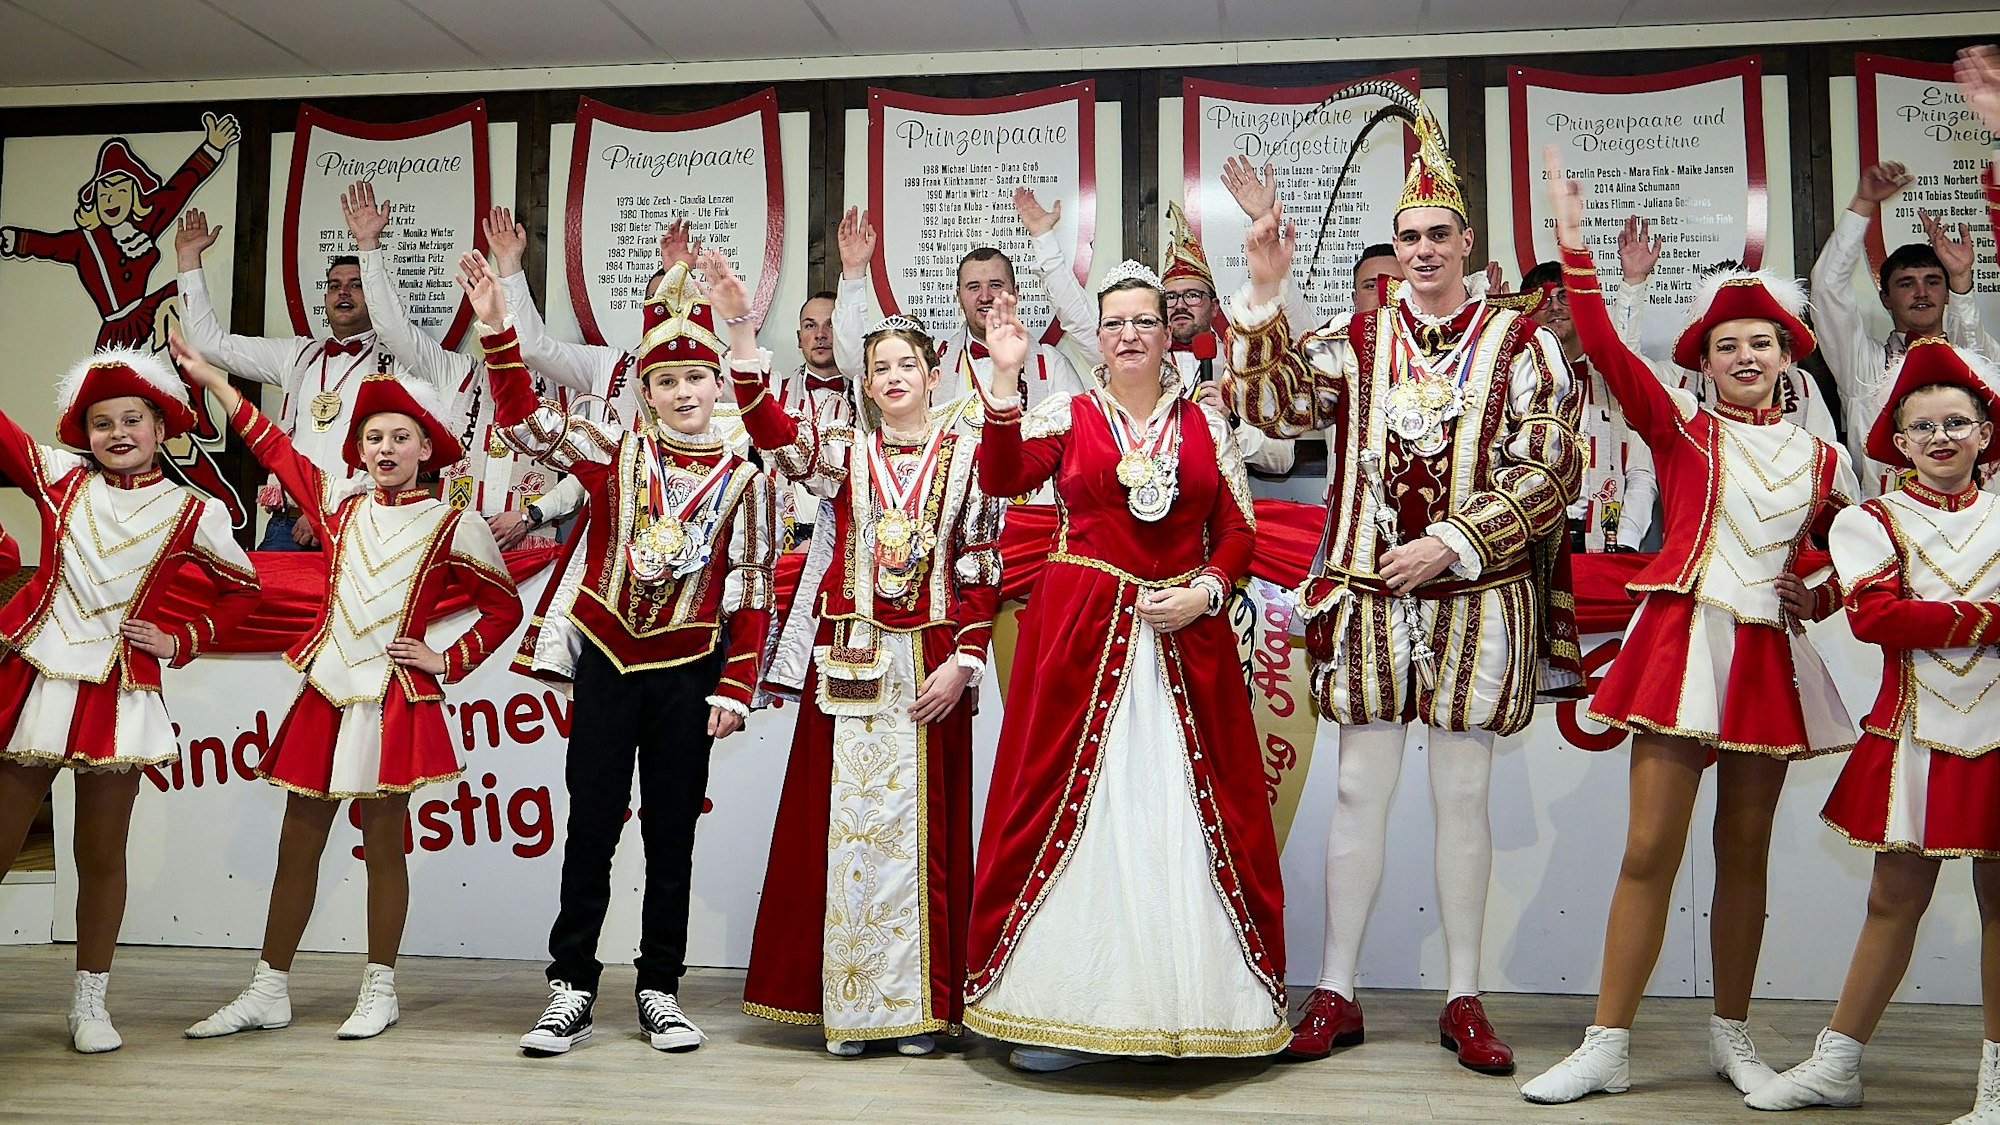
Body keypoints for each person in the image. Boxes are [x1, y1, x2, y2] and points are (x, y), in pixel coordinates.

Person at [1227, 96, 1580, 1075]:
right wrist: (1264, 289)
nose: (1421, 250)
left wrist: (1455, 543)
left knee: (1462, 797)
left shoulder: (1523, 344)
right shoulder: (1354, 337)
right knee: (1352, 788)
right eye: (1406, 236)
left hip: (1474, 596)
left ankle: (1462, 997)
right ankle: (1334, 991)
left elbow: (1547, 467)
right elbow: (1270, 407)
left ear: (1465, 241)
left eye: (1436, 235)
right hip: (1370, 596)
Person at [1521, 147, 1859, 1105]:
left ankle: (1733, 1035)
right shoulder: (1677, 429)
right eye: (1726, 345)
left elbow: (1859, 563)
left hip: (1766, 655)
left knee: (1742, 850)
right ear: (1704, 363)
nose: (1746, 357)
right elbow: (1607, 351)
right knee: (1647, 847)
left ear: (1790, 356)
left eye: (1762, 343)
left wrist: (1821, 593)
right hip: (1683, 646)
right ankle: (1608, 1039)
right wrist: (1575, 244)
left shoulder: (1826, 462)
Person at [962, 264, 1288, 1071]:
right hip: (1081, 635)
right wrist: (1003, 377)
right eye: (1115, 323)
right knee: (1071, 805)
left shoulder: (1207, 422)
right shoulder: (1065, 412)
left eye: (1146, 320)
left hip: (1187, 639)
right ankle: (1058, 1011)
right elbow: (1002, 478)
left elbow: (1238, 531)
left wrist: (1209, 590)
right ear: (1097, 338)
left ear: (1169, 330)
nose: (1131, 333)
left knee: (1182, 811)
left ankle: (1199, 1009)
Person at [455, 250, 777, 1058]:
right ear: (646, 391)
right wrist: (497, 329)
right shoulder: (609, 449)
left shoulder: (747, 477)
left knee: (673, 833)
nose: (682, 392)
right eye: (666, 381)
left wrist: (736, 686)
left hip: (689, 669)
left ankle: (660, 988)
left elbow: (752, 587)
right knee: (591, 826)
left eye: (696, 378)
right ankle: (571, 986)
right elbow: (527, 422)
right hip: (606, 656)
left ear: (717, 384)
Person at [177, 333, 522, 1043]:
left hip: (392, 699)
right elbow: (272, 444)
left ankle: (380, 986)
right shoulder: (339, 508)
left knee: (384, 842)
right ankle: (269, 986)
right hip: (327, 692)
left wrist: (444, 660)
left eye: (401, 435)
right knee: (297, 843)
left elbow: (503, 608)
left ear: (429, 446)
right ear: (358, 449)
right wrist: (213, 377)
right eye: (374, 437)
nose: (387, 448)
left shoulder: (455, 524)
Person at [734, 284, 1003, 1056]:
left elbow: (982, 565)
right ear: (866, 381)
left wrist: (966, 660)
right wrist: (745, 339)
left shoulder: (970, 454)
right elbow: (777, 438)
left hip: (931, 661)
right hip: (853, 658)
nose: (892, 376)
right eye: (879, 365)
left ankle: (923, 1007)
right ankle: (849, 1007)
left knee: (927, 835)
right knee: (841, 832)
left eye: (905, 364)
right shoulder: (844, 450)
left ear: (932, 372)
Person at [1744, 339, 2000, 1121]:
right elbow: (1877, 617)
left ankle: (1997, 1081)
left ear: (1986, 432)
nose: (1941, 439)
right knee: (1892, 897)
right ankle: (1837, 1062)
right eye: (1922, 428)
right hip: (1914, 734)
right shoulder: (1872, 519)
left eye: (1957, 422)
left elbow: (1905, 613)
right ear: (1898, 440)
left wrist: (1940, 620)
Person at [0, 350, 258, 1053]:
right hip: (43, 681)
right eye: (101, 421)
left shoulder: (192, 509)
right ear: (82, 430)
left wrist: (182, 639)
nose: (118, 432)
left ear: (160, 426)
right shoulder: (58, 478)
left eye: (132, 419)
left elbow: (244, 588)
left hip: (120, 688)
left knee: (100, 851)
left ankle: (90, 1002)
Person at [483, 209, 748, 687]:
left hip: (698, 585)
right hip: (609, 551)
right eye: (660, 304)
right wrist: (509, 272)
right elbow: (537, 361)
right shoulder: (611, 365)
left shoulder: (726, 380)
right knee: (601, 712)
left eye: (683, 300)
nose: (672, 314)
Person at [1012, 189, 1295, 474]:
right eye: (1170, 298)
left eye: (1193, 295)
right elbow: (1078, 317)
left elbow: (1283, 459)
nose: (1181, 305)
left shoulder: (1245, 365)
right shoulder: (1135, 355)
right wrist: (1044, 239)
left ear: (1215, 307)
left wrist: (1230, 422)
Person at [1812, 160, 1996, 495]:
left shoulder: (1975, 356)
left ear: (1947, 293)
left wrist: (1961, 280)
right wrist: (1864, 204)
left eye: (1932, 281)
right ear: (1886, 298)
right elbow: (1827, 290)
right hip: (1887, 530)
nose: (1922, 292)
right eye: (1907, 283)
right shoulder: (1865, 369)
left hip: (1973, 529)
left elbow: (1981, 365)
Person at [0, 114, 238, 351]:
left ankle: (192, 384)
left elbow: (179, 188)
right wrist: (13, 239)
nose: (111, 199)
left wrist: (211, 147)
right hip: (116, 329)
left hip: (147, 311)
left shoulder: (145, 225)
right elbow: (47, 245)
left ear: (134, 195)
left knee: (177, 297)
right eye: (104, 193)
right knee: (112, 384)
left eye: (121, 191)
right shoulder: (84, 242)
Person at [830, 206, 1085, 413]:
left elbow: (1078, 446)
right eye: (973, 287)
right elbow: (856, 366)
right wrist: (853, 273)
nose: (985, 296)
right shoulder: (932, 360)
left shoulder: (1051, 364)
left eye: (995, 285)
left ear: (1015, 292)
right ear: (958, 296)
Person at [1521, 236, 1659, 553]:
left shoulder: (1614, 379)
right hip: (1531, 549)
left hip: (1605, 544)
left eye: (1564, 297)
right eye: (1542, 300)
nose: (1554, 306)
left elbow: (1640, 472)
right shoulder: (1517, 383)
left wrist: (1625, 542)